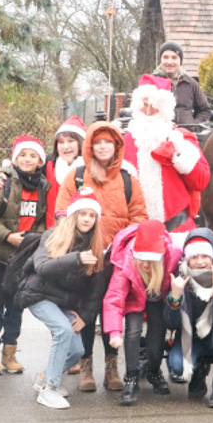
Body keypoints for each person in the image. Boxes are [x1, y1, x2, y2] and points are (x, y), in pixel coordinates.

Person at [55, 120, 148, 392]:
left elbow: (139, 218)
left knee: (111, 312)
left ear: (117, 146)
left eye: (109, 141)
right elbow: (62, 212)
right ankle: (85, 367)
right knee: (85, 311)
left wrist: (121, 246)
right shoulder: (77, 175)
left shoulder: (129, 178)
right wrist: (77, 246)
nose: (104, 146)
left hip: (116, 260)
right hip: (83, 257)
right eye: (98, 142)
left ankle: (111, 367)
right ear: (90, 146)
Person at [16, 191, 105, 409]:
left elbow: (96, 286)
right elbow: (42, 268)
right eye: (82, 214)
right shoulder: (52, 235)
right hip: (38, 294)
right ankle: (50, 389)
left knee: (77, 350)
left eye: (92, 215)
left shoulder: (94, 245)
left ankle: (45, 377)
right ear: (73, 216)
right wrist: (75, 258)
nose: (86, 219)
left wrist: (86, 315)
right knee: (63, 331)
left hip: (63, 301)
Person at [0, 135, 55, 376]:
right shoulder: (4, 183)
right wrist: (8, 236)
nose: (27, 159)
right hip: (2, 256)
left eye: (33, 156)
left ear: (40, 161)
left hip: (25, 258)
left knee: (16, 307)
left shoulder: (43, 186)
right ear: (15, 159)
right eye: (23, 155)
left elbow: (42, 221)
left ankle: (10, 353)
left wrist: (35, 243)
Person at [103, 220, 182, 405]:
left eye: (150, 260)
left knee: (156, 340)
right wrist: (114, 332)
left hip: (158, 297)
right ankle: (131, 377)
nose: (145, 264)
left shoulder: (173, 256)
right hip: (133, 296)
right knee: (132, 331)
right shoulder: (127, 263)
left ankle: (154, 371)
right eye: (141, 258)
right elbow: (114, 298)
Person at [123, 74, 211, 238]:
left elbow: (201, 181)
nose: (148, 111)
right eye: (144, 104)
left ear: (164, 107)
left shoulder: (181, 139)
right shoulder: (124, 143)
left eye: (154, 105)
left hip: (177, 229)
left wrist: (180, 155)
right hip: (136, 233)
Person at [165, 229, 213, 408]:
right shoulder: (179, 278)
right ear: (187, 259)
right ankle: (198, 370)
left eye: (205, 256)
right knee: (177, 367)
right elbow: (170, 324)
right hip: (191, 339)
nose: (199, 262)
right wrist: (175, 297)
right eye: (194, 256)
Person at [0, 115, 88, 219]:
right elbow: (20, 169)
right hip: (49, 230)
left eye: (71, 141)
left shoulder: (90, 168)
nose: (65, 146)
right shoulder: (49, 163)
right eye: (61, 142)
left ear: (81, 142)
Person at [153, 41, 211, 126]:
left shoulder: (191, 84)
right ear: (160, 60)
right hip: (158, 135)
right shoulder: (151, 82)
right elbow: (141, 111)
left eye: (174, 58)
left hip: (186, 135)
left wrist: (194, 125)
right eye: (165, 57)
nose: (169, 62)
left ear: (180, 61)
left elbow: (204, 110)